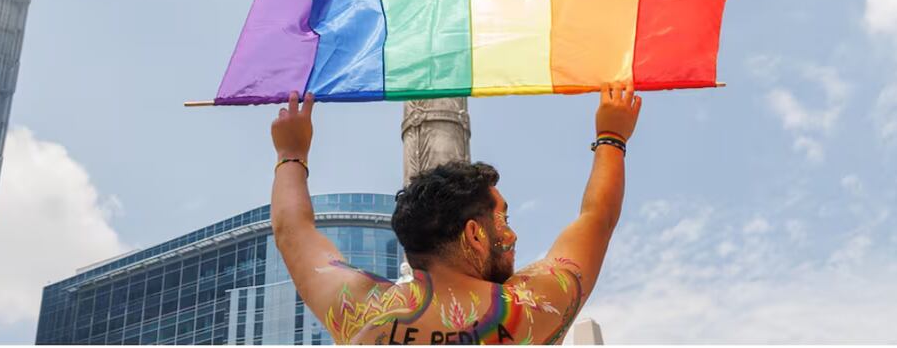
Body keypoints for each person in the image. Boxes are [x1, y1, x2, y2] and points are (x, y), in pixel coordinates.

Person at [270, 82, 642, 345]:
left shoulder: (364, 312)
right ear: (474, 235)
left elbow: (292, 232)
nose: (511, 237)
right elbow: (597, 219)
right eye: (503, 220)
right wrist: (612, 136)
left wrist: (291, 153)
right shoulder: (530, 309)